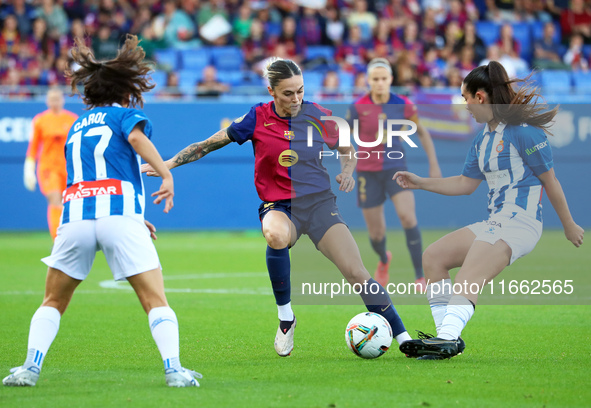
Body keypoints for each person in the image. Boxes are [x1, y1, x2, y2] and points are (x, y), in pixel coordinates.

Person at [142, 58, 413, 357]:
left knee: (356, 271)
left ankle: (403, 338)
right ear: (271, 91)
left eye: (300, 91)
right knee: (274, 235)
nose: (296, 99)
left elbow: (349, 149)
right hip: (280, 206)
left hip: (321, 205)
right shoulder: (257, 117)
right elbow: (209, 144)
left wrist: (347, 171)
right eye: (288, 93)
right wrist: (168, 163)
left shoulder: (318, 115)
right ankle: (286, 318)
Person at [3, 35, 201, 388]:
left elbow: (93, 177)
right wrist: (167, 173)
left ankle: (29, 368)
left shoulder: (75, 126)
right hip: (118, 216)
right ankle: (175, 370)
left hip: (75, 216)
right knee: (155, 299)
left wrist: (134, 216)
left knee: (53, 300)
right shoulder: (125, 115)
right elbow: (137, 142)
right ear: (126, 90)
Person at [393, 61, 584, 360]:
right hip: (496, 222)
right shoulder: (482, 140)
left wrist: (569, 225)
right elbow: (465, 184)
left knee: (468, 276)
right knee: (433, 257)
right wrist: (419, 183)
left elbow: (552, 182)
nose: (464, 104)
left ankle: (445, 338)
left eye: (465, 97)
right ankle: (447, 338)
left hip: (521, 223)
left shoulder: (524, 134)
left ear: (480, 97)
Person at [347, 58, 441, 291]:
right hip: (367, 173)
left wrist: (434, 164)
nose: (379, 83)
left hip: (395, 168)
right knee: (376, 233)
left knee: (408, 217)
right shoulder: (357, 107)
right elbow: (342, 138)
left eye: (384, 78)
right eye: (375, 79)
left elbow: (423, 133)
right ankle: (383, 258)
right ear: (368, 81)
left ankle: (420, 276)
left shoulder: (404, 105)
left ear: (391, 80)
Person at [24, 88, 78, 240]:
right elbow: (33, 147)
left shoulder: (72, 119)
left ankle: (68, 236)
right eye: (52, 99)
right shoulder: (40, 120)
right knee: (54, 199)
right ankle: (58, 238)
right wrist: (29, 170)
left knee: (67, 201)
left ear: (62, 100)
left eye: (57, 98)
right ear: (47, 101)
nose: (55, 102)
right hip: (48, 167)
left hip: (67, 168)